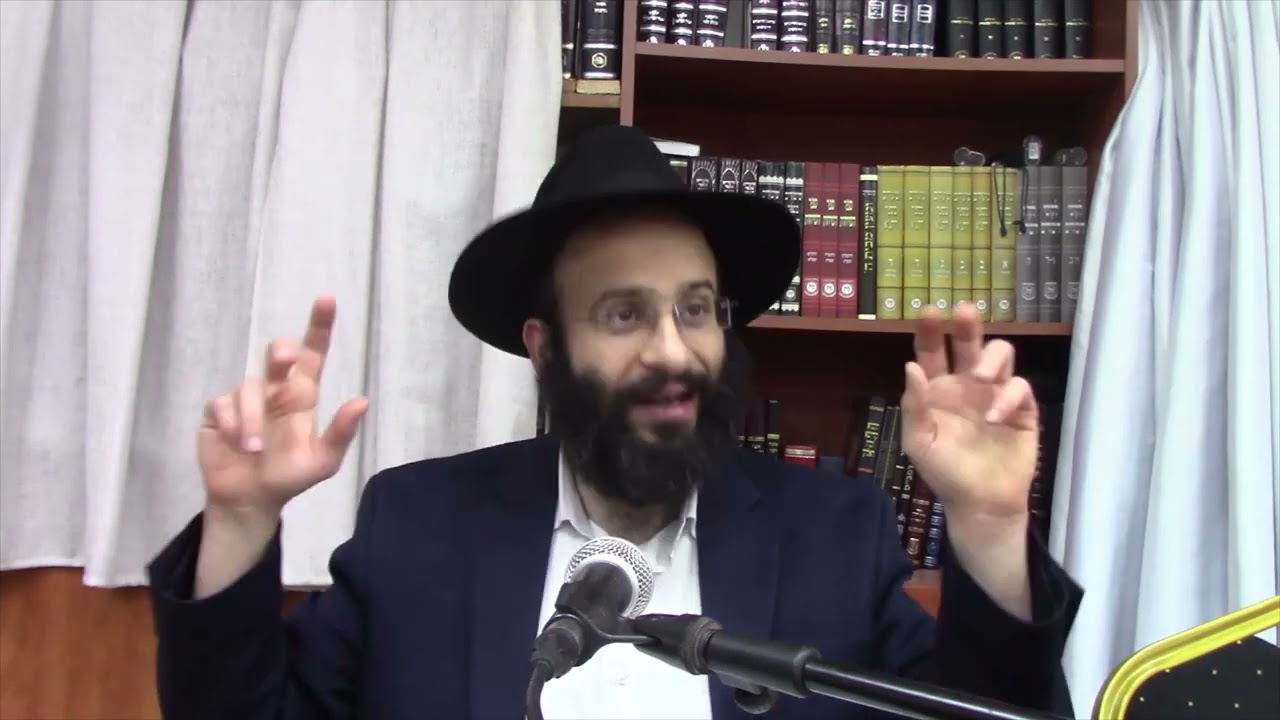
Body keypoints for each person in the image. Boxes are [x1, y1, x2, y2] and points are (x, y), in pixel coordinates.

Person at [148, 125, 1083, 720]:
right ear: (546, 347)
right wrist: (241, 522)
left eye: (696, 309)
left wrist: (989, 526)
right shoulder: (419, 527)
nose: (673, 351)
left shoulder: (835, 536)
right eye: (623, 314)